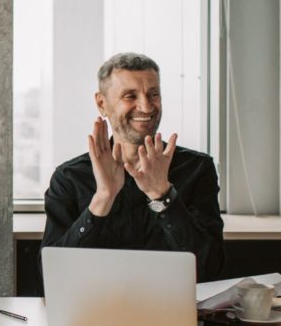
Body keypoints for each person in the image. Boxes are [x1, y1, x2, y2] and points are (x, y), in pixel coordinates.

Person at [41, 52, 224, 282]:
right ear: (101, 103)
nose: (146, 107)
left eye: (153, 94)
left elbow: (210, 268)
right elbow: (51, 278)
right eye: (130, 96)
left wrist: (163, 196)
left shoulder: (197, 169)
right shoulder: (69, 178)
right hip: (94, 313)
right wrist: (103, 198)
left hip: (172, 313)